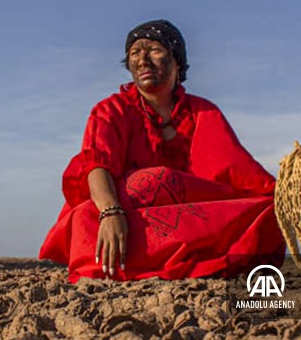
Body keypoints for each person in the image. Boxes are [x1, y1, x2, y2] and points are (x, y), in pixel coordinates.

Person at [39, 20, 285, 282]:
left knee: (265, 212)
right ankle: (185, 259)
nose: (143, 59)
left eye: (154, 49)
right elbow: (96, 166)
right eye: (135, 53)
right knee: (86, 219)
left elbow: (238, 169)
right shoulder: (110, 110)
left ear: (177, 62)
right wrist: (110, 213)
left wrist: (284, 197)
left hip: (191, 217)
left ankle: (169, 259)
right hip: (124, 213)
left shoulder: (203, 112)